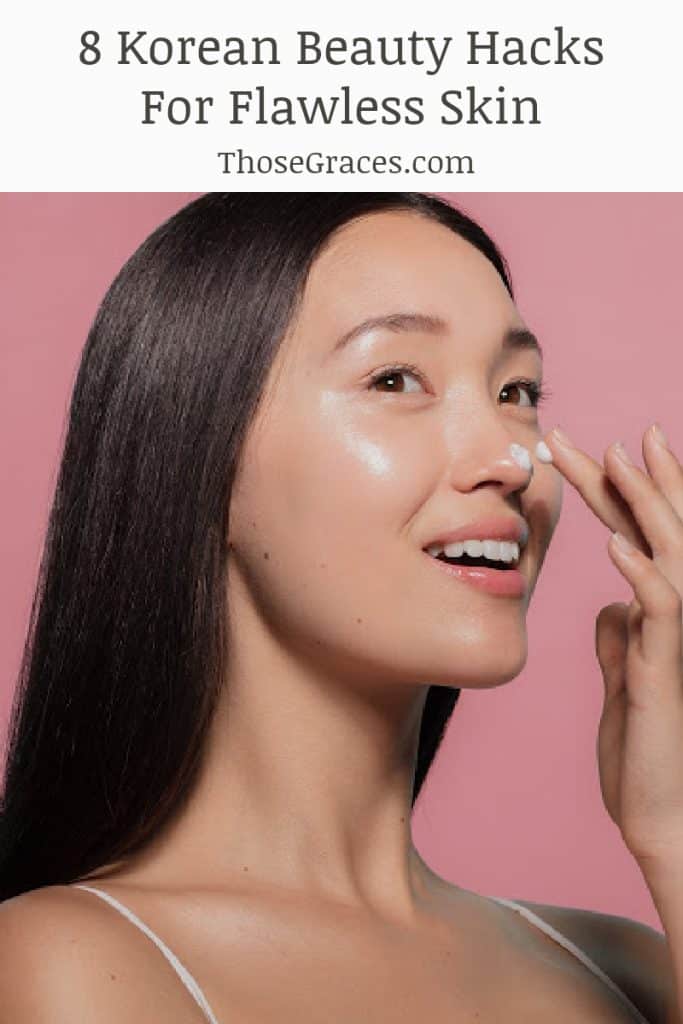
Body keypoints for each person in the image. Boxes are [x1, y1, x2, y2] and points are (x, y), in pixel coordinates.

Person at [0, 194, 672, 1021]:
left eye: (517, 390)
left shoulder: (633, 972)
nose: (511, 457)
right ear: (200, 457)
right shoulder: (64, 967)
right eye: (395, 378)